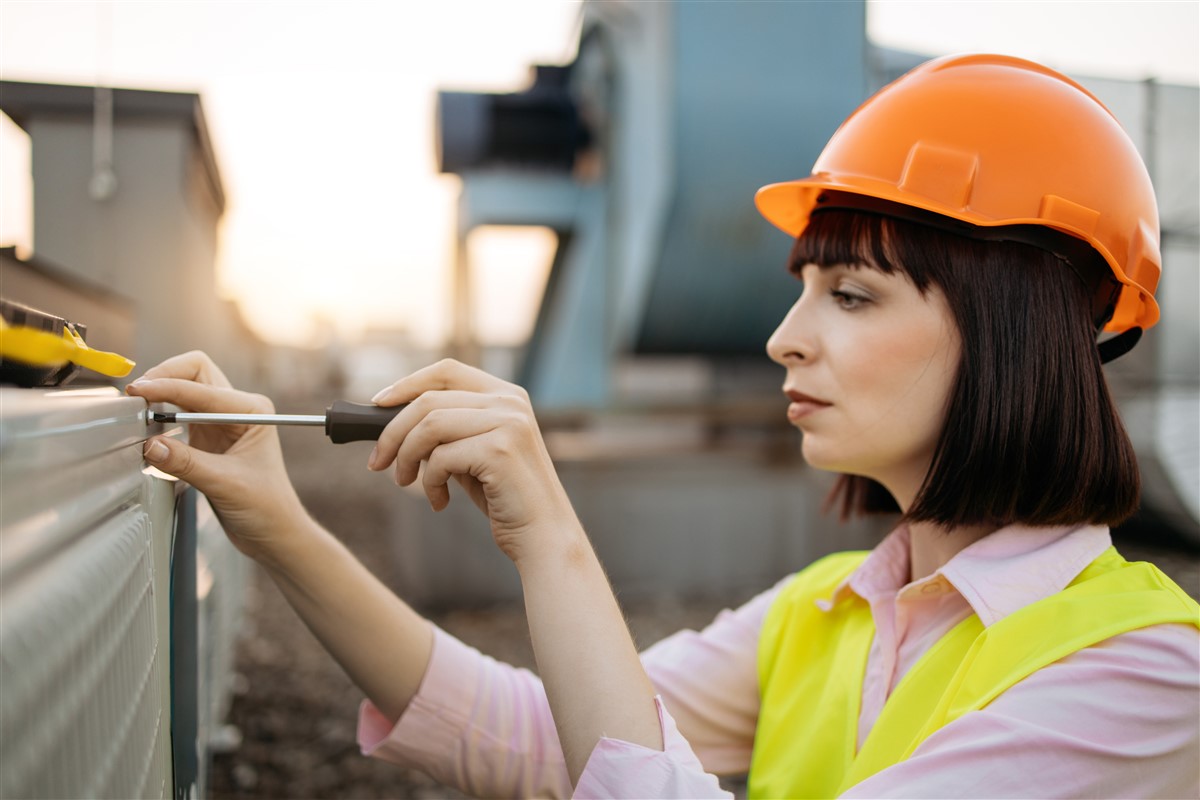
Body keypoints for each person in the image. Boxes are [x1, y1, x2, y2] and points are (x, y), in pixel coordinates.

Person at [127, 54, 1199, 799]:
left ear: (1015, 332)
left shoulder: (1145, 672)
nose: (784, 336)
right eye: (803, 288)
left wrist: (551, 535)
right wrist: (280, 525)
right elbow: (537, 735)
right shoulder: (818, 615)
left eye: (853, 294)